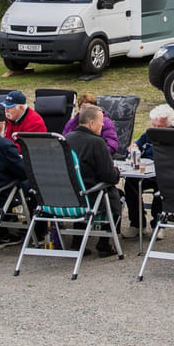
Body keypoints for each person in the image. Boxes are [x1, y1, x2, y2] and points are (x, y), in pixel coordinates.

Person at [65, 104, 121, 256]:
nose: (102, 124)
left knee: (84, 188)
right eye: (100, 121)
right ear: (91, 123)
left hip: (67, 196)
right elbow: (109, 176)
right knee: (116, 195)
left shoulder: (66, 139)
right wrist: (116, 171)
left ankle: (77, 242)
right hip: (90, 197)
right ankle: (105, 244)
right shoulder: (97, 142)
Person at [123, 103, 174, 238]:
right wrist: (132, 148)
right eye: (154, 126)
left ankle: (158, 225)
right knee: (130, 182)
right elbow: (136, 147)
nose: (156, 129)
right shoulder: (149, 134)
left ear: (169, 125)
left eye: (160, 127)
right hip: (146, 171)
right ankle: (137, 223)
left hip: (167, 173)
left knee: (161, 186)